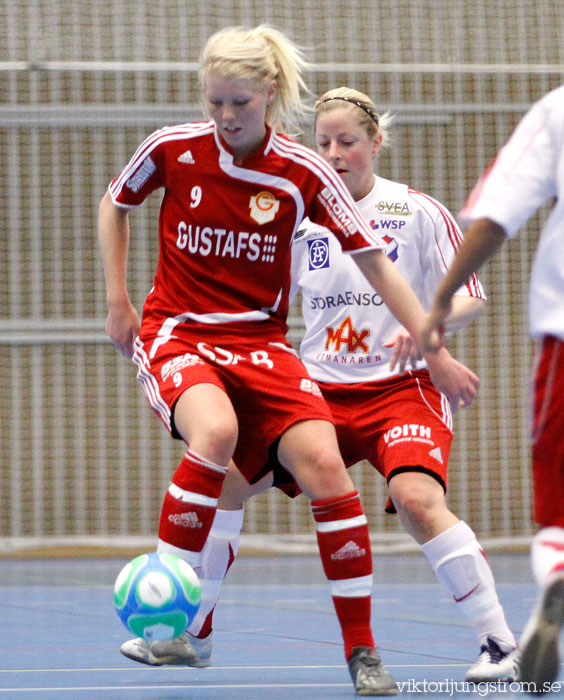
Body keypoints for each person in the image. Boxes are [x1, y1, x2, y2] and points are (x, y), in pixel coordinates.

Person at [98, 25, 478, 696]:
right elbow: (116, 203)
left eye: (238, 103)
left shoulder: (302, 171)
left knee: (328, 468)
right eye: (215, 101)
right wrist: (117, 298)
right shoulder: (173, 147)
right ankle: (173, 624)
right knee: (215, 435)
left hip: (262, 346)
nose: (224, 116)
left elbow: (374, 261)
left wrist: (433, 344)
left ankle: (363, 653)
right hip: (179, 333)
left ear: (269, 95)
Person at [422, 84, 564, 691]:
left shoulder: (558, 110)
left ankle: (557, 574)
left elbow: (495, 215)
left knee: (557, 516)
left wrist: (437, 302)